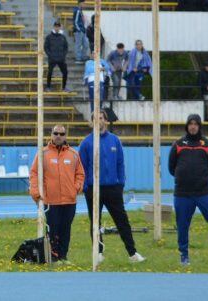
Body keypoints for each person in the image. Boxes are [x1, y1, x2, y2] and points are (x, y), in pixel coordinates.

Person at [78, 111, 145, 264]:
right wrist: (86, 186)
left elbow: (120, 163)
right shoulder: (86, 143)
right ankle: (98, 252)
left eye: (100, 118)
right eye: (94, 118)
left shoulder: (114, 140)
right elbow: (81, 167)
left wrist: (120, 183)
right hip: (93, 189)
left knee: (122, 221)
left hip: (113, 188)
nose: (97, 121)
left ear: (106, 121)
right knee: (95, 222)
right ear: (91, 122)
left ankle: (132, 253)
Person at [168, 114, 208, 265]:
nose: (193, 126)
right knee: (182, 225)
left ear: (200, 126)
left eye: (196, 124)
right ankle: (184, 255)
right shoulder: (178, 144)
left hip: (203, 192)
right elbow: (171, 167)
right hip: (182, 194)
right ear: (187, 126)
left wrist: (202, 178)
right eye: (190, 123)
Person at [28, 125, 85, 262]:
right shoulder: (43, 153)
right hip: (51, 201)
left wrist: (76, 188)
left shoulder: (73, 154)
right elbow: (34, 173)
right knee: (53, 229)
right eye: (56, 133)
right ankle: (53, 257)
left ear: (66, 136)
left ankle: (63, 256)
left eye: (62, 133)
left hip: (69, 201)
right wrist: (35, 192)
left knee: (66, 230)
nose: (58, 136)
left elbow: (80, 174)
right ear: (51, 134)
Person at [45, 21, 70, 92]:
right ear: (54, 27)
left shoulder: (63, 37)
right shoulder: (49, 37)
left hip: (61, 59)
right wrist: (50, 55)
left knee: (65, 72)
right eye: (56, 26)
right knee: (50, 72)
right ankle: (48, 87)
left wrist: (63, 55)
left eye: (58, 26)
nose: (57, 28)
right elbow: (46, 47)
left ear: (60, 27)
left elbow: (66, 47)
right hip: (52, 58)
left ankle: (64, 87)